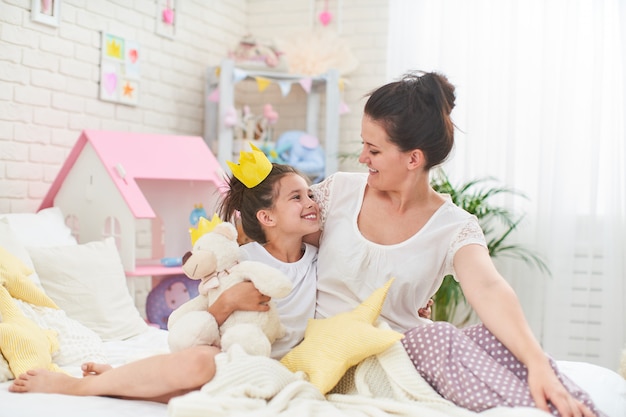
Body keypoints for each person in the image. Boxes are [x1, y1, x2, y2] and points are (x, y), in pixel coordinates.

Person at [307, 71, 603, 417]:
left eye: (373, 149)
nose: (361, 158)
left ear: (413, 159)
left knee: (490, 340)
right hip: (340, 357)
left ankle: (576, 407)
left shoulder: (453, 226)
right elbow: (274, 236)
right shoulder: (337, 192)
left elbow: (489, 287)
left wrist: (537, 363)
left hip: (402, 355)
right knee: (440, 338)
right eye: (363, 145)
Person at [9, 155, 320, 401]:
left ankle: (117, 381)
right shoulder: (241, 261)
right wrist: (226, 302)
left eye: (310, 193)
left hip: (270, 365)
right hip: (226, 353)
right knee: (199, 364)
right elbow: (194, 323)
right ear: (267, 217)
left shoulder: (320, 259)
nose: (311, 202)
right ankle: (77, 387)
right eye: (297, 197)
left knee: (198, 386)